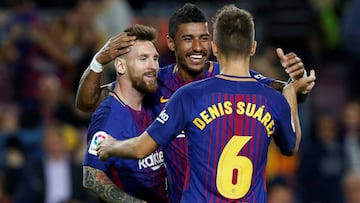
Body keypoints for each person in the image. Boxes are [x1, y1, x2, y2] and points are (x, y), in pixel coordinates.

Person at [76, 3, 312, 203]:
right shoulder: (153, 82)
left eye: (204, 38)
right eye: (188, 39)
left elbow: (287, 91)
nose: (198, 47)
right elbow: (89, 102)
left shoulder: (202, 90)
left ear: (214, 45)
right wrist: (97, 63)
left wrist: (297, 83)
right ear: (170, 43)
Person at [82, 24, 168, 203]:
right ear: (120, 65)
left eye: (155, 58)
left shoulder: (152, 101)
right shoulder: (110, 117)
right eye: (143, 59)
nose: (153, 66)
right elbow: (91, 177)